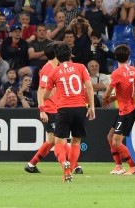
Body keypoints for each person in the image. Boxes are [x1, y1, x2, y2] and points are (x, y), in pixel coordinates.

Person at [40, 43, 95, 182]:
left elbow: (45, 95)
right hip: (80, 107)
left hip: (63, 109)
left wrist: (51, 93)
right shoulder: (80, 67)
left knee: (59, 141)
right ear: (70, 55)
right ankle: (70, 169)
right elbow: (89, 87)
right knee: (76, 141)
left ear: (57, 57)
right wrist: (91, 107)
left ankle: (64, 164)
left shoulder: (54, 72)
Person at [100, 44, 135, 175]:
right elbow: (130, 91)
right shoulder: (134, 70)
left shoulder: (116, 73)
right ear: (128, 57)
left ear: (115, 57)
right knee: (110, 136)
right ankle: (118, 166)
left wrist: (106, 99)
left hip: (126, 111)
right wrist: (114, 98)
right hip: (132, 108)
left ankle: (133, 167)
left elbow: (106, 94)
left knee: (116, 141)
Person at [25, 43, 59, 173]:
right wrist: (42, 110)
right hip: (51, 108)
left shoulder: (57, 67)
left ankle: (31, 164)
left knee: (51, 140)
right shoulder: (47, 69)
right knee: (57, 139)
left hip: (58, 107)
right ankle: (73, 164)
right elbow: (41, 90)